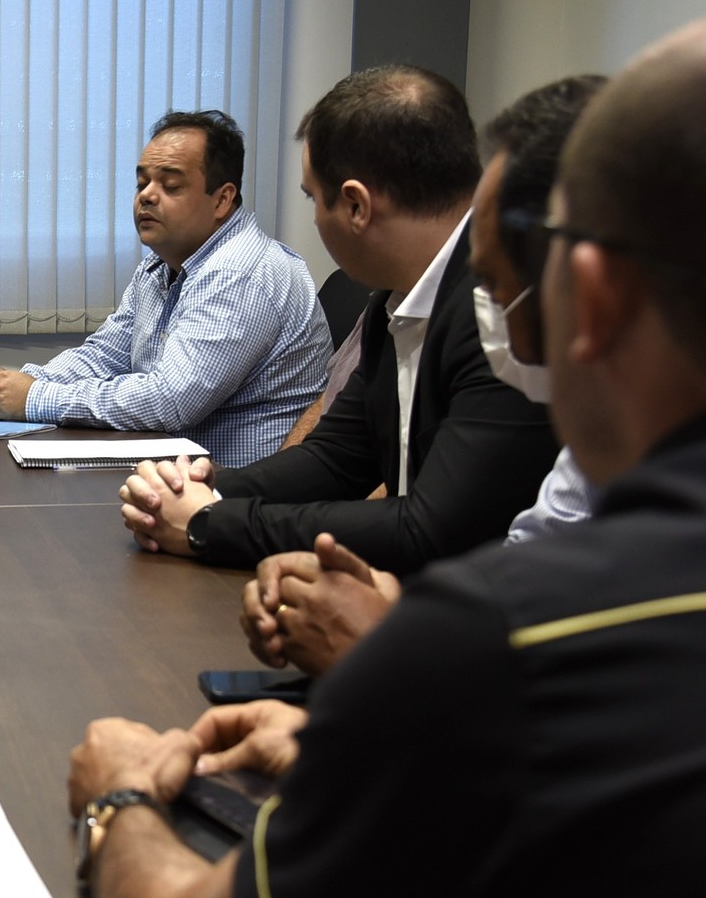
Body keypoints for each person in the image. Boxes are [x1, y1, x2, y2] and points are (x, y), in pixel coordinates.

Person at [67, 0, 706, 898]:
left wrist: (121, 795)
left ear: (590, 300)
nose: (509, 339)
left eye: (508, 298)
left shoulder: (504, 645)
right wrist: (393, 751)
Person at [119, 66, 560, 574]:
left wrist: (208, 524)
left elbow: (430, 530)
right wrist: (195, 488)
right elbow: (335, 458)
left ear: (355, 204)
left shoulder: (501, 311)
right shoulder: (394, 302)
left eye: (311, 197)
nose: (312, 216)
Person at [242, 76, 605, 677]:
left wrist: (386, 653)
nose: (497, 316)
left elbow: (594, 694)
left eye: (501, 285)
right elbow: (521, 581)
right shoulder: (596, 451)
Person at [0, 111, 330, 467]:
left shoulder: (241, 271)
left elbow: (171, 400)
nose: (147, 196)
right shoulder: (160, 265)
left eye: (170, 185)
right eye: (142, 183)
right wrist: (16, 383)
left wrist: (34, 398)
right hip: (175, 471)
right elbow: (106, 354)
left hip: (238, 492)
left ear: (222, 200)